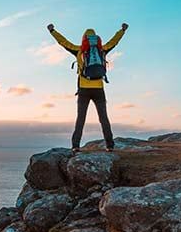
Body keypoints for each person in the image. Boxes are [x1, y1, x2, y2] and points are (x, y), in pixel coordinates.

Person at [47, 22, 128, 152]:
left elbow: (63, 42)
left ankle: (75, 146)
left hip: (84, 89)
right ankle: (110, 146)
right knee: (104, 118)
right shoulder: (102, 50)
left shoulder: (79, 50)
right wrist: (122, 30)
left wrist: (52, 31)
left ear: (84, 39)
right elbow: (114, 41)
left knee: (80, 119)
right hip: (99, 89)